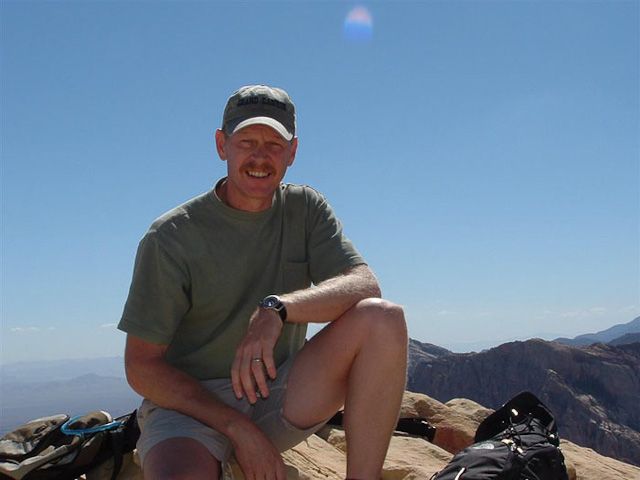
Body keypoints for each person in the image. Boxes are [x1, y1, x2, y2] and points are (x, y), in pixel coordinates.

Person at [118, 84, 408, 480]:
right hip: (190, 408)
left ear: (292, 152)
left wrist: (277, 310)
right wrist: (239, 429)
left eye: (275, 143)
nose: (260, 156)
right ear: (222, 145)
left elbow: (364, 285)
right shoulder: (172, 236)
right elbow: (141, 366)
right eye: (247, 141)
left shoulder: (305, 209)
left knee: (383, 319)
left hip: (275, 394)